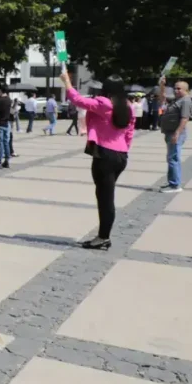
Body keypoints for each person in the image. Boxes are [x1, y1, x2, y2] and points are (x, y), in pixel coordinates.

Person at [62, 72, 134, 250]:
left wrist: (67, 83)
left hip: (105, 155)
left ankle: (103, 237)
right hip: (121, 155)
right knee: (106, 196)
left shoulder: (104, 104)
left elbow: (79, 101)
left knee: (105, 198)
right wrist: (124, 149)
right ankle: (103, 235)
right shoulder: (127, 106)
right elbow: (130, 132)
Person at [156, 76, 192, 193]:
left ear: (185, 90)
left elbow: (185, 118)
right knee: (171, 158)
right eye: (175, 88)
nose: (176, 91)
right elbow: (162, 98)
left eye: (178, 89)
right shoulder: (177, 100)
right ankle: (172, 182)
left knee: (173, 158)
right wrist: (162, 86)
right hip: (170, 132)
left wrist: (177, 133)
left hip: (175, 133)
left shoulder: (185, 100)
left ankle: (175, 185)